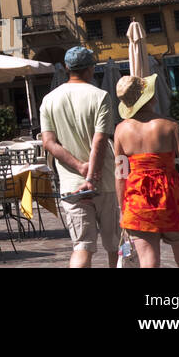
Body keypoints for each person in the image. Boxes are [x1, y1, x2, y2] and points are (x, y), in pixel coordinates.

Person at [114, 73, 179, 267]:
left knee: (148, 263)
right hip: (172, 197)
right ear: (150, 97)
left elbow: (120, 174)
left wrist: (122, 208)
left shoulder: (121, 130)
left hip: (138, 199)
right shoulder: (170, 126)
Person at [39, 46, 118, 267]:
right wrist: (91, 177)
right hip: (104, 182)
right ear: (91, 69)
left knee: (82, 246)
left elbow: (49, 143)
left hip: (71, 184)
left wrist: (80, 167)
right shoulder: (100, 96)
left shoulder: (49, 99)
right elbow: (100, 140)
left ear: (66, 68)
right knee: (115, 245)